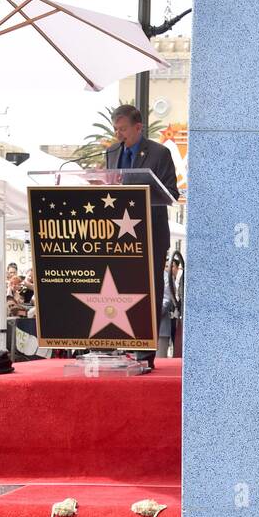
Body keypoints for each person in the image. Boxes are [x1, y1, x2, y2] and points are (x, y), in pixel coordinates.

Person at [105, 103, 181, 369]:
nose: (118, 135)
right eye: (116, 129)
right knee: (119, 287)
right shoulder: (112, 152)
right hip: (120, 234)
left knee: (148, 290)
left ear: (139, 128)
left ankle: (144, 352)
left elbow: (172, 193)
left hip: (150, 231)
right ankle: (118, 345)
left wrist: (144, 191)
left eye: (123, 129)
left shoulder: (160, 153)